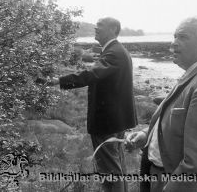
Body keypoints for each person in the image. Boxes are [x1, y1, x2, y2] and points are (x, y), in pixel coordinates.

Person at [126, 17, 197, 192]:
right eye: (174, 37)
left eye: (182, 37)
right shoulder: (193, 76)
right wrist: (148, 135)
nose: (173, 43)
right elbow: (178, 121)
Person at [50, 17, 137, 192]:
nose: (96, 28)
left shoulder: (114, 52)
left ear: (113, 29)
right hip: (115, 120)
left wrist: (58, 81)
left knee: (109, 170)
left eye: (100, 26)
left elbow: (92, 74)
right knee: (116, 165)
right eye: (96, 25)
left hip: (107, 122)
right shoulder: (116, 50)